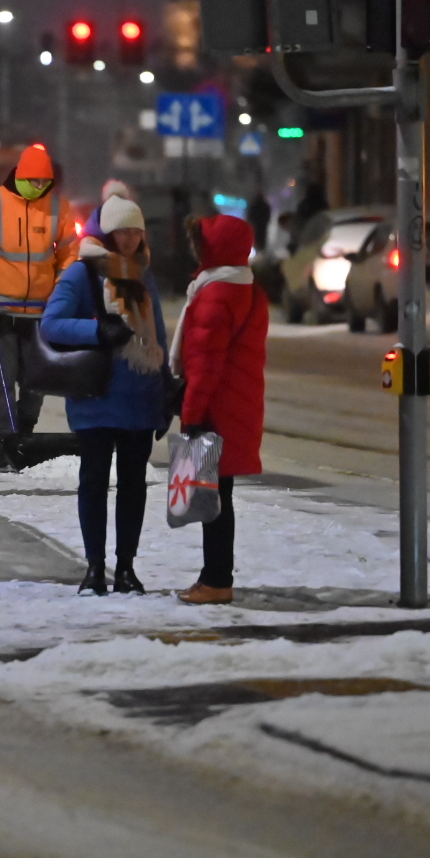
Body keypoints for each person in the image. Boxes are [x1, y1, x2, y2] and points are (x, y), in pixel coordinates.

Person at [41, 193, 169, 596]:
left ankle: (126, 568)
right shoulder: (82, 273)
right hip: (97, 396)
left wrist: (166, 386)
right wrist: (97, 331)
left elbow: (157, 336)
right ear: (107, 232)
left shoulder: (143, 273)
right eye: (123, 231)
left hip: (139, 396)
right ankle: (94, 568)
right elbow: (52, 324)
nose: (130, 238)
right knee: (94, 482)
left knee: (134, 485)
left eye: (136, 231)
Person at [0, 143, 79, 471]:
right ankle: (5, 443)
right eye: (34, 182)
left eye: (45, 183)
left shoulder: (58, 208)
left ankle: (24, 434)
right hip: (0, 310)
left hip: (41, 312)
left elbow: (69, 253)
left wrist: (62, 290)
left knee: (37, 382)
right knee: (5, 379)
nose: (40, 188)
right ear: (21, 177)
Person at [170, 215, 269, 605]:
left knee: (213, 501)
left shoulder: (215, 295)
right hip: (236, 405)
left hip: (217, 408)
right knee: (217, 497)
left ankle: (216, 580)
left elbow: (205, 365)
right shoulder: (246, 289)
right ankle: (213, 577)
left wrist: (191, 414)